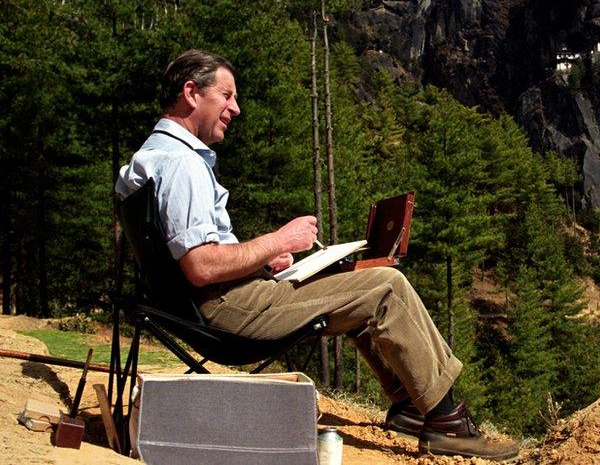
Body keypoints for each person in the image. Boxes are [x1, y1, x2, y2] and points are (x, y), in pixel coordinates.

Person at [115, 49, 517, 461]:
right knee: (386, 287)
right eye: (227, 95)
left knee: (358, 281)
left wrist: (259, 259)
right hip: (228, 311)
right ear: (191, 93)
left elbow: (197, 255)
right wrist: (279, 241)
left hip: (210, 303)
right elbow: (201, 266)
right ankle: (447, 424)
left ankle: (413, 407)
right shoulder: (183, 165)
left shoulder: (152, 156)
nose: (236, 107)